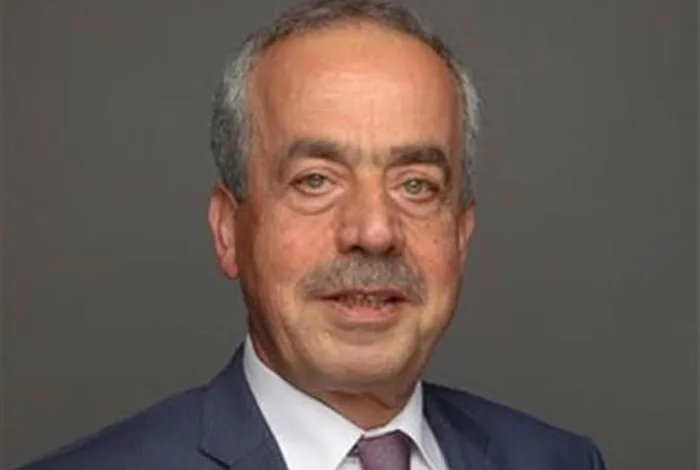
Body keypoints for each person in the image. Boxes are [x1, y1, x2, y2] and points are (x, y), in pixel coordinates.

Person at [20, 1, 607, 469]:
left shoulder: (558, 460)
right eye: (315, 181)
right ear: (228, 231)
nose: (373, 231)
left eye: (416, 185)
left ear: (461, 235)